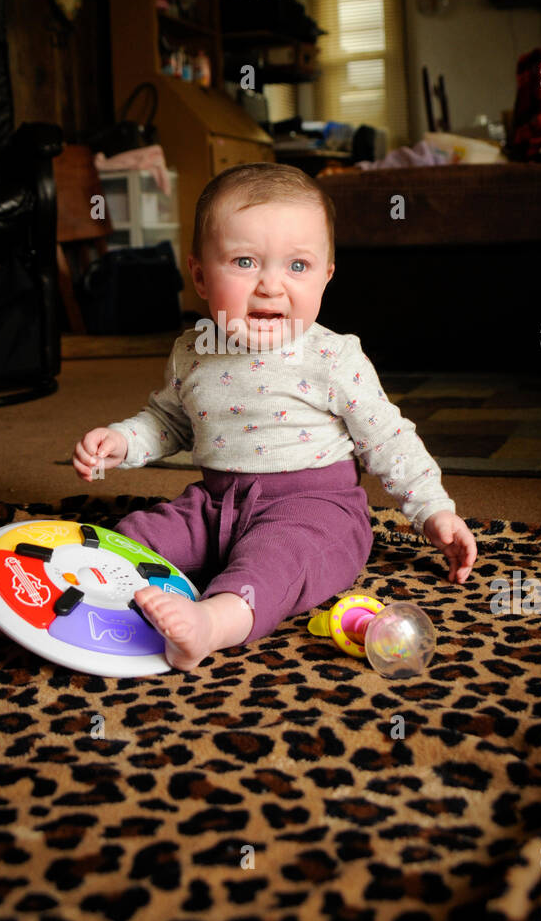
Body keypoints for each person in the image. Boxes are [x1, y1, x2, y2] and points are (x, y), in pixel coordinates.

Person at [73, 164, 477, 670]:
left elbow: (389, 440)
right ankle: (60, 600)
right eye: (244, 261)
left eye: (298, 266)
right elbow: (170, 421)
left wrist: (434, 510)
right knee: (132, 536)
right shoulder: (193, 351)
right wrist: (121, 440)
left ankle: (211, 624)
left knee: (275, 562)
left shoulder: (332, 358)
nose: (271, 285)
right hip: (217, 506)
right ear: (200, 275)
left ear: (327, 276)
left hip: (316, 511)